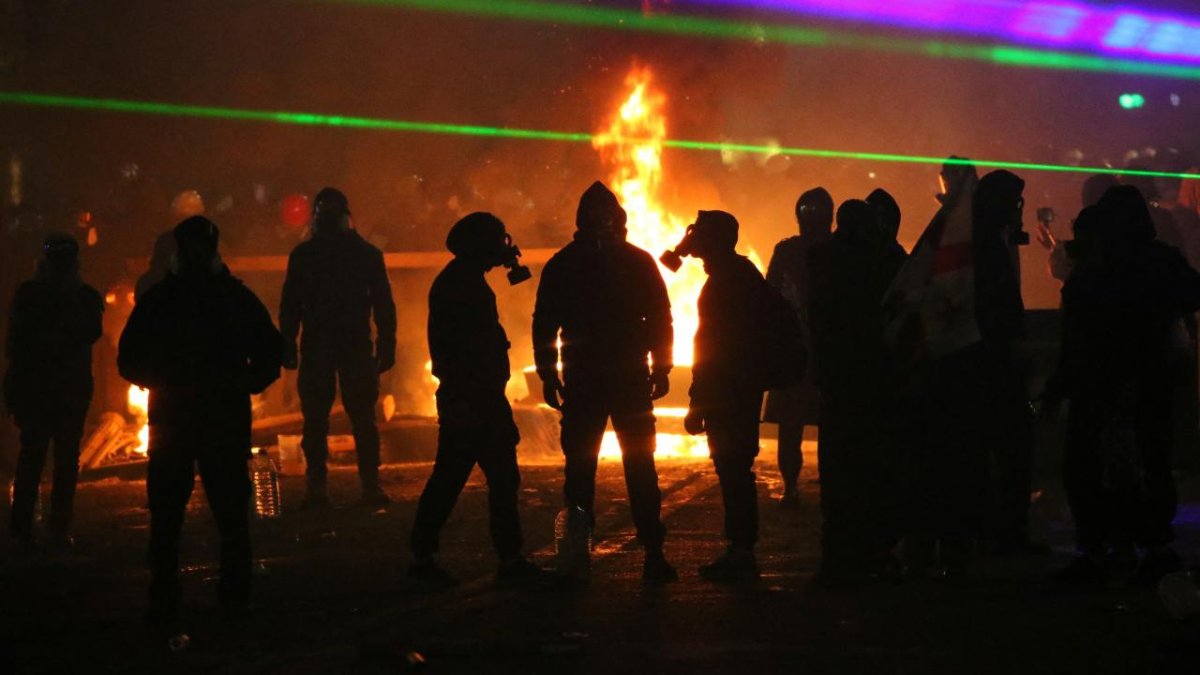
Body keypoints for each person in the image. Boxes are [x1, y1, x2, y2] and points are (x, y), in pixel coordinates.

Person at [118, 216, 282, 625]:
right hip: (213, 419)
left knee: (177, 513)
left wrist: (165, 383)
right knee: (219, 512)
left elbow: (129, 360)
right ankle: (227, 596)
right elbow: (268, 352)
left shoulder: (164, 300)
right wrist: (244, 382)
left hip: (182, 419)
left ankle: (170, 597)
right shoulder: (229, 297)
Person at [1045, 187, 1200, 584]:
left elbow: (1076, 334)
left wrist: (1057, 388)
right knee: (1148, 461)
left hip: (1101, 380)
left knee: (1096, 465)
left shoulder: (1097, 267)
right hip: (1148, 376)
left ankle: (1105, 548)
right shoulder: (1158, 260)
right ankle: (1149, 546)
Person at [532, 181, 678, 584]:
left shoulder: (564, 263)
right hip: (626, 379)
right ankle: (653, 553)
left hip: (586, 380)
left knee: (581, 472)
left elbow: (545, 324)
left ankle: (578, 558)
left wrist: (549, 373)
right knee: (637, 467)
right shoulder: (638, 261)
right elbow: (660, 318)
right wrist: (661, 367)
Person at [409, 213, 547, 585]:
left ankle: (432, 555)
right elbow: (471, 348)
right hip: (473, 398)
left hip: (474, 396)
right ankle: (504, 559)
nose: (504, 248)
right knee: (470, 478)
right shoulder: (462, 286)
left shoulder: (462, 281)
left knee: (475, 477)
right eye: (497, 241)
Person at [808, 201, 906, 584]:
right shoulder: (881, 262)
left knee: (838, 478)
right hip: (871, 383)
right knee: (870, 474)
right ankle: (871, 554)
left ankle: (838, 560)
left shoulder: (824, 260)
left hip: (841, 384)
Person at [279, 188, 397, 508]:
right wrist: (387, 342)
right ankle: (367, 485)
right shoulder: (366, 254)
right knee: (360, 418)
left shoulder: (305, 256)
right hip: (352, 343)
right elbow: (383, 304)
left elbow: (290, 305)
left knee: (317, 419)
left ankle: (318, 487)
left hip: (323, 344)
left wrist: (287, 342)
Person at [673, 210, 771, 581]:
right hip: (742, 388)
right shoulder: (743, 275)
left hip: (728, 391)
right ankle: (741, 547)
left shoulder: (724, 284)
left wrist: (698, 401)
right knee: (736, 469)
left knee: (733, 470)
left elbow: (709, 348)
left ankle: (741, 549)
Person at [4, 233, 103, 549]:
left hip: (42, 387)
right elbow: (89, 333)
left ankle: (25, 529)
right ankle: (54, 529)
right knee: (61, 459)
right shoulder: (83, 296)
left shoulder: (30, 295)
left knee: (34, 456)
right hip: (64, 388)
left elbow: (15, 345)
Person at [762, 188, 831, 507]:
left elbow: (769, 296)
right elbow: (771, 297)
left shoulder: (792, 251)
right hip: (807, 352)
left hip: (814, 352)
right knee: (802, 426)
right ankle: (793, 485)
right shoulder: (793, 251)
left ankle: (796, 486)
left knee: (808, 426)